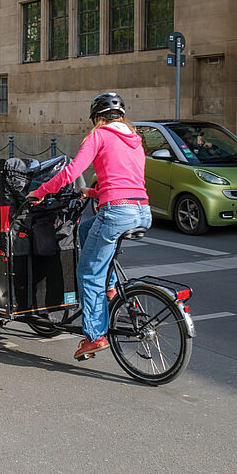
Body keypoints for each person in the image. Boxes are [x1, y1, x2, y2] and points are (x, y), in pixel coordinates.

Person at [26, 92, 151, 361]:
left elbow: (71, 172)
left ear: (97, 118)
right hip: (142, 210)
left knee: (88, 274)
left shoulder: (100, 135)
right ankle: (111, 287)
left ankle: (95, 337)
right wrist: (91, 193)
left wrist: (42, 191)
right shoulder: (135, 140)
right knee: (85, 230)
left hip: (117, 212)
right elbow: (126, 181)